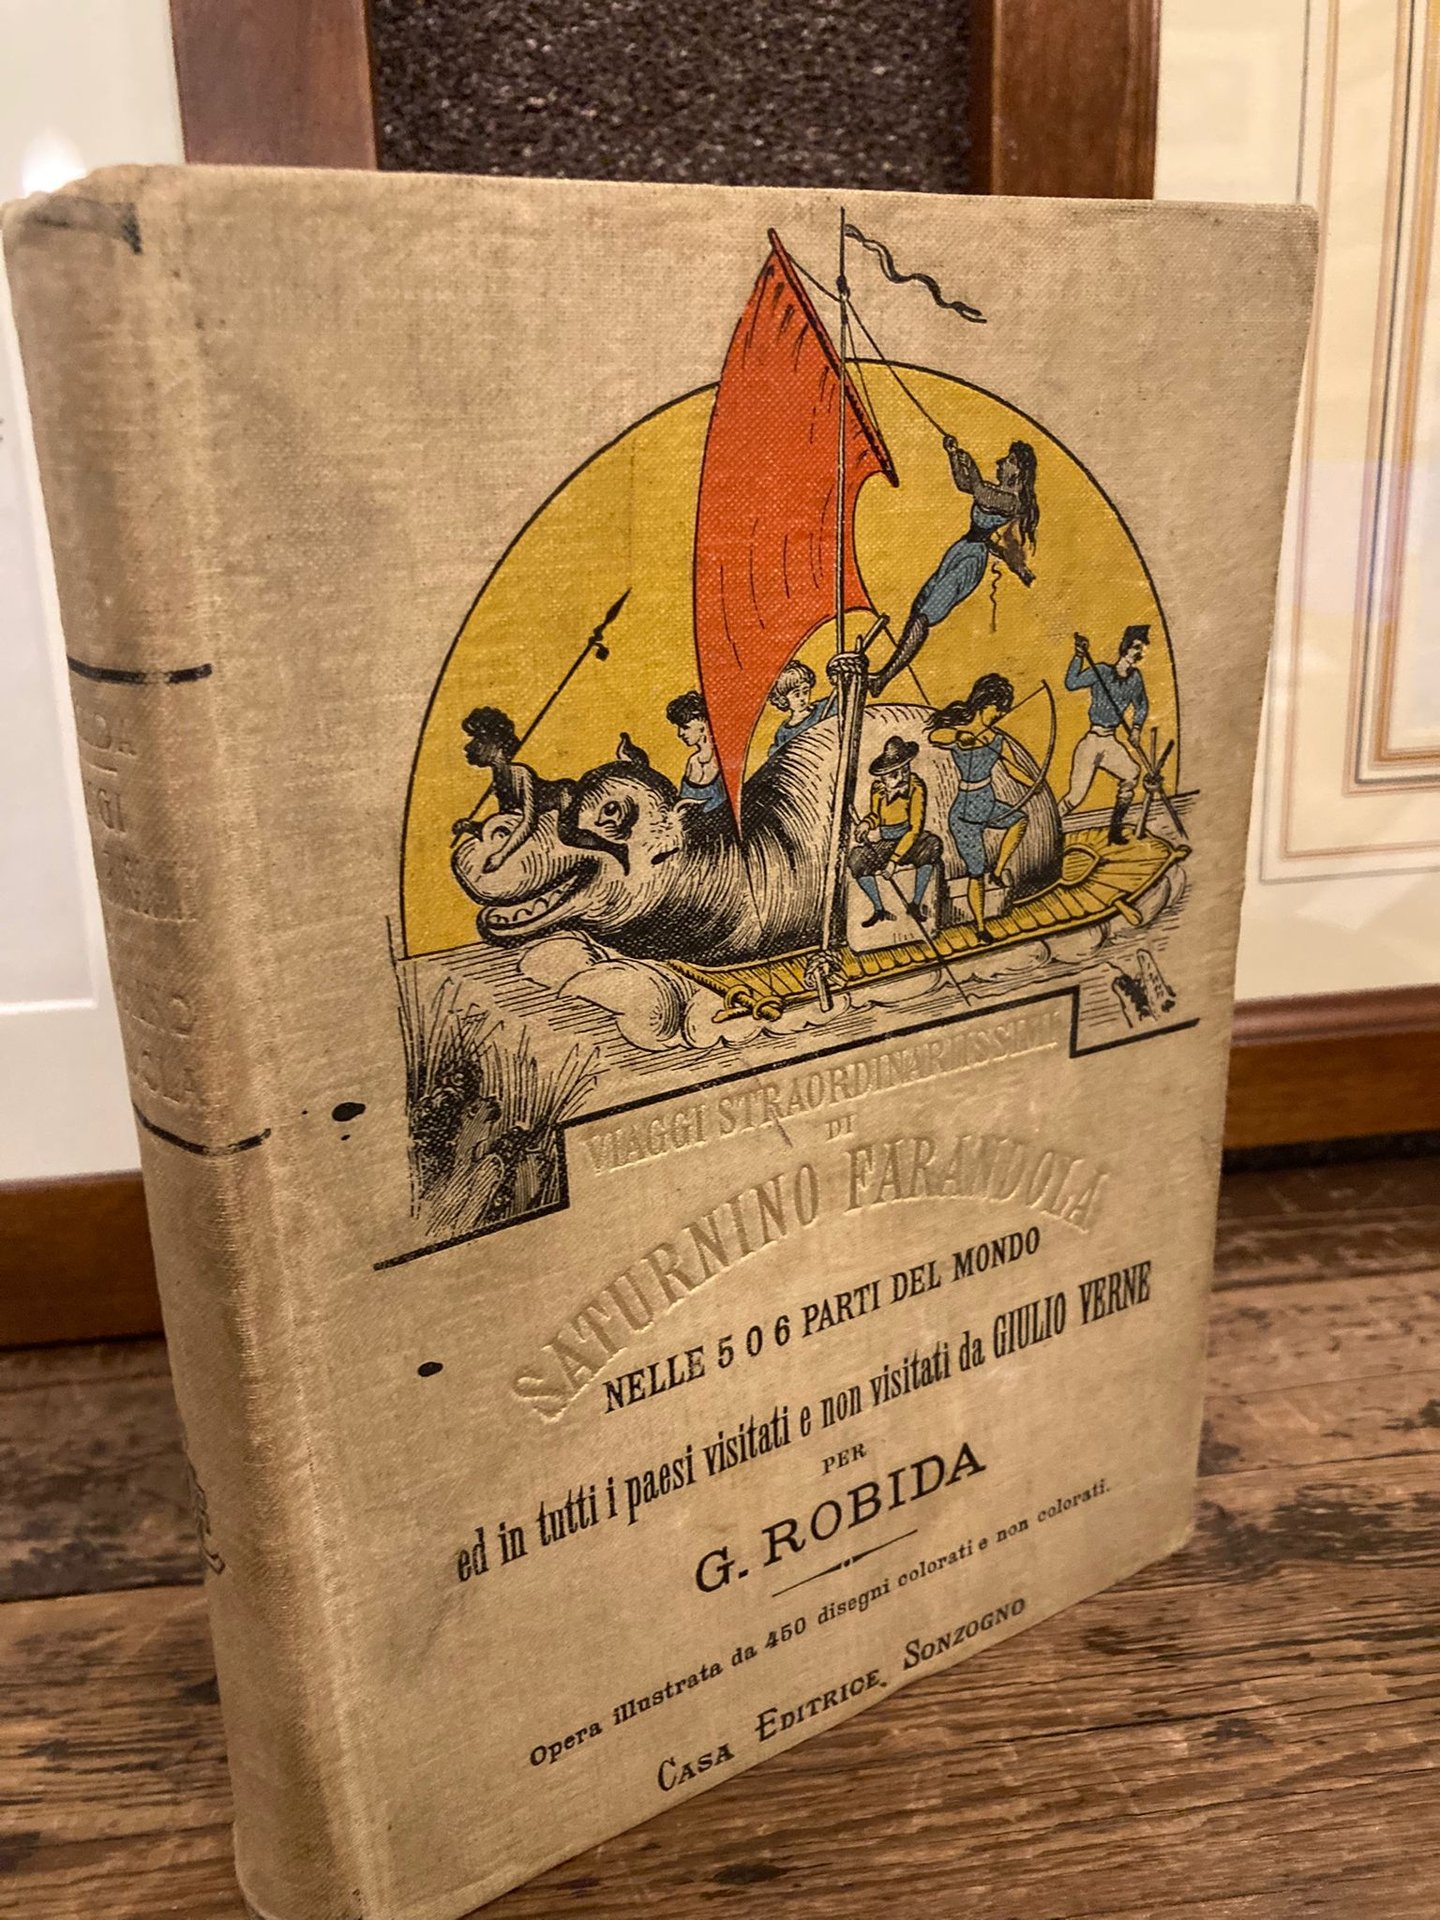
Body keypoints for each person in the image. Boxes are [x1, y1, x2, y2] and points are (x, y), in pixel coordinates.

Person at [870, 439, 1039, 694]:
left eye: (1009, 460)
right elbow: (964, 484)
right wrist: (953, 455)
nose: (1001, 463)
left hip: (971, 560)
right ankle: (885, 674)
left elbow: (979, 490)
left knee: (926, 616)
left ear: (1019, 471)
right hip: (960, 550)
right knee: (918, 608)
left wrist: (970, 463)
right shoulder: (996, 492)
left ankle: (883, 679)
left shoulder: (1012, 501)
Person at [926, 673, 1032, 944]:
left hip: (988, 804)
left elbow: (1013, 769)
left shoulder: (996, 739)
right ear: (986, 704)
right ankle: (981, 926)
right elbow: (935, 736)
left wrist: (1035, 782)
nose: (1000, 716)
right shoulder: (962, 732)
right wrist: (961, 735)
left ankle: (998, 871)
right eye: (998, 710)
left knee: (1019, 820)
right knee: (976, 871)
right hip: (965, 817)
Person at [1061, 624, 1151, 844]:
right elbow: (1071, 683)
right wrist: (1078, 656)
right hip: (1092, 741)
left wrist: (1136, 728)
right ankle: (1049, 826)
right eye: (1136, 647)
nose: (1139, 653)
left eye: (1142, 649)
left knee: (1131, 773)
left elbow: (1141, 705)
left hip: (1110, 741)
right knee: (1075, 796)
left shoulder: (1135, 679)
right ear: (1125, 647)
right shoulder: (1101, 671)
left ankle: (1115, 830)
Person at [452, 707, 570, 870]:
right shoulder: (499, 780)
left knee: (567, 838)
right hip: (543, 820)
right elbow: (507, 824)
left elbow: (529, 822)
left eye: (478, 739)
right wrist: (471, 827)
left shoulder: (520, 773)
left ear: (496, 742)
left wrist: (501, 855)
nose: (468, 747)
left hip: (566, 798)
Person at [847, 736, 944, 928]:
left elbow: (914, 829)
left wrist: (892, 861)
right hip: (886, 843)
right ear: (883, 776)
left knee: (932, 845)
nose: (901, 778)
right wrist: (866, 823)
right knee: (856, 859)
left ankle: (915, 904)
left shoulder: (916, 787)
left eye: (905, 770)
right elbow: (876, 816)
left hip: (909, 842)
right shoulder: (878, 789)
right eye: (894, 775)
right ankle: (879, 909)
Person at [666, 691, 728, 812]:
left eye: (685, 727)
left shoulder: (725, 758)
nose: (680, 733)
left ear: (703, 724)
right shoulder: (693, 762)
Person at [766, 661, 835, 755]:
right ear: (783, 699)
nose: (802, 698)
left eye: (805, 692)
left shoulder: (824, 707)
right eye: (797, 694)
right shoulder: (784, 732)